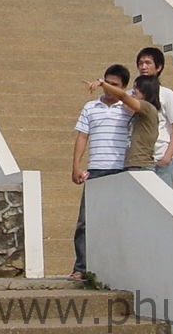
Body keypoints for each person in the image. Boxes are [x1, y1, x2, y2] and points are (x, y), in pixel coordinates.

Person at [69, 64, 132, 280]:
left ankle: (118, 267)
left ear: (124, 87)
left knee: (118, 221)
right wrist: (76, 165)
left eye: (113, 85)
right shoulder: (90, 107)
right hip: (96, 169)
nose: (108, 89)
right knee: (85, 222)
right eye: (106, 83)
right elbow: (82, 137)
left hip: (120, 170)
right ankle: (81, 267)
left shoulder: (128, 108)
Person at [86, 74, 161, 171]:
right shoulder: (139, 113)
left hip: (141, 165)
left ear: (146, 91)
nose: (133, 91)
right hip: (132, 164)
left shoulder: (147, 108)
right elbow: (125, 103)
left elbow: (123, 96)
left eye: (136, 88)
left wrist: (102, 83)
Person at [136, 47, 173, 187]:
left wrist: (167, 156)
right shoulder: (131, 94)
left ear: (158, 67)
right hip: (138, 159)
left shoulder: (166, 94)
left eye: (147, 63)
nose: (143, 67)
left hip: (160, 158)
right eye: (140, 63)